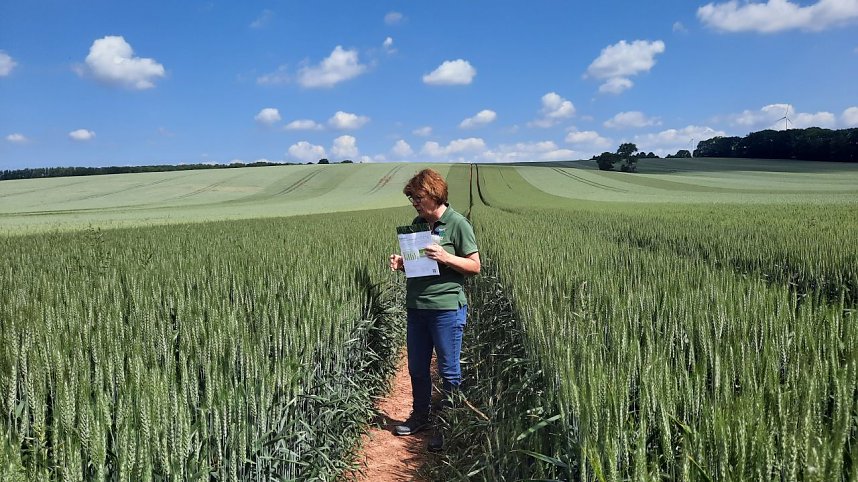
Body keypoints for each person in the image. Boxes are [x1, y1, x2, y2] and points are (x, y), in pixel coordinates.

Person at [388, 168, 480, 452]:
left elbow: (475, 266)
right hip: (417, 307)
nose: (414, 203)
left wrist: (446, 256)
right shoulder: (417, 223)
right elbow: (421, 267)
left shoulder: (458, 224)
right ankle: (420, 417)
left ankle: (448, 425)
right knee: (417, 367)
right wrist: (404, 264)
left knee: (449, 371)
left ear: (434, 194)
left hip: (446, 309)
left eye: (418, 197)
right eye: (411, 199)